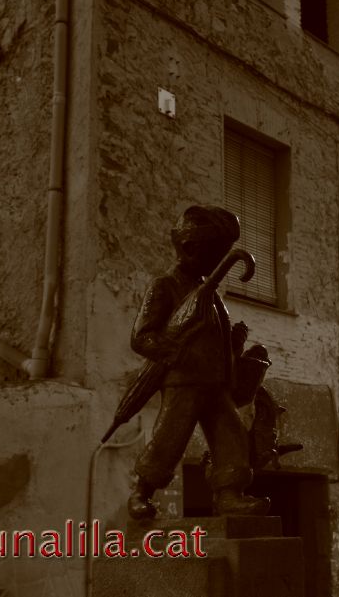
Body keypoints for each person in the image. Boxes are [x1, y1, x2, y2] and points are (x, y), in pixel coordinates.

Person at [126, 205, 269, 519]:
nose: (220, 259)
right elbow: (142, 337)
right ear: (190, 248)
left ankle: (230, 494)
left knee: (231, 435)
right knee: (169, 437)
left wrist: (234, 344)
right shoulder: (165, 287)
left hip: (215, 383)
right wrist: (175, 352)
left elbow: (212, 340)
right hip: (185, 382)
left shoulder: (213, 296)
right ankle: (141, 492)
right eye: (215, 251)